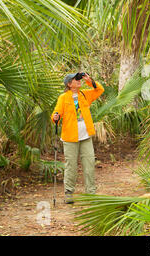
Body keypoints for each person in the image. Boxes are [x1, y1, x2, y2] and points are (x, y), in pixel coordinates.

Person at [51, 72, 104, 204]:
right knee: (71, 166)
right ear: (69, 84)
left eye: (79, 78)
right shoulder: (63, 97)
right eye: (76, 79)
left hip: (86, 135)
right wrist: (55, 117)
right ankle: (68, 193)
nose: (79, 80)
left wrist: (88, 80)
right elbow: (56, 114)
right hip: (70, 137)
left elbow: (100, 89)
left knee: (89, 164)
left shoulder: (85, 94)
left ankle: (91, 193)